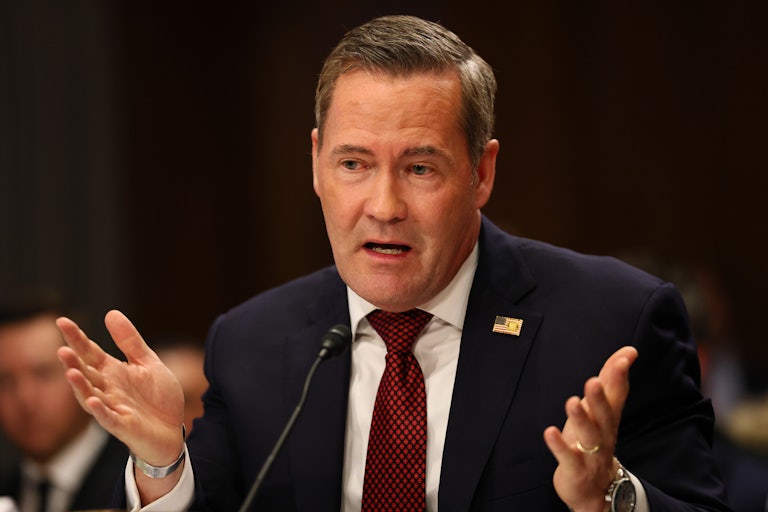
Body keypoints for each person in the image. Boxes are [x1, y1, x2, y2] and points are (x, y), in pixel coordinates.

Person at [55, 14, 731, 512]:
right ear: (316, 162)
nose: (383, 205)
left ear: (482, 171)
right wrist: (160, 462)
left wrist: (609, 496)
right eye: (354, 164)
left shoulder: (613, 321)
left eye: (419, 167)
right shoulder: (253, 342)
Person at [0, 290, 127, 512]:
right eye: (4, 381)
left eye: (43, 373)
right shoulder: (6, 490)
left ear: (88, 373)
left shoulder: (140, 485)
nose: (25, 399)